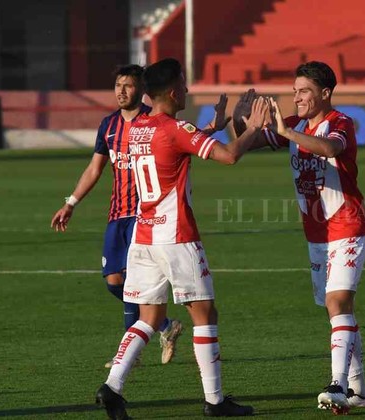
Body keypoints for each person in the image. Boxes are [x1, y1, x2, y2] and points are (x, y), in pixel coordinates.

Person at [95, 57, 268, 419]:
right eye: (184, 84)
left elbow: (172, 144)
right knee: (204, 313)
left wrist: (213, 127)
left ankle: (112, 387)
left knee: (148, 317)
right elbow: (228, 156)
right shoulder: (176, 128)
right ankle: (215, 401)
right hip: (176, 235)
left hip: (143, 236)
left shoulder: (137, 127)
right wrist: (252, 128)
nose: (188, 89)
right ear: (174, 91)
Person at [234, 62, 365, 414]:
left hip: (348, 225)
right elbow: (249, 142)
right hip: (317, 233)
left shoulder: (340, 122)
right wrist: (240, 121)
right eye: (294, 91)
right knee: (336, 309)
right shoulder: (294, 124)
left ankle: (338, 385)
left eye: (304, 91)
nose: (296, 97)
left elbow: (331, 149)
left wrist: (286, 132)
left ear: (325, 93)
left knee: (337, 302)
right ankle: (359, 391)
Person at [50, 65, 183, 368]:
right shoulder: (108, 125)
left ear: (142, 90)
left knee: (133, 282)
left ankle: (128, 355)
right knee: (114, 282)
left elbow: (182, 141)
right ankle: (165, 326)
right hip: (117, 215)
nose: (121, 91)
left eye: (128, 85)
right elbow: (95, 168)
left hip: (144, 215)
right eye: (118, 85)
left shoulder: (153, 121)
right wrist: (71, 203)